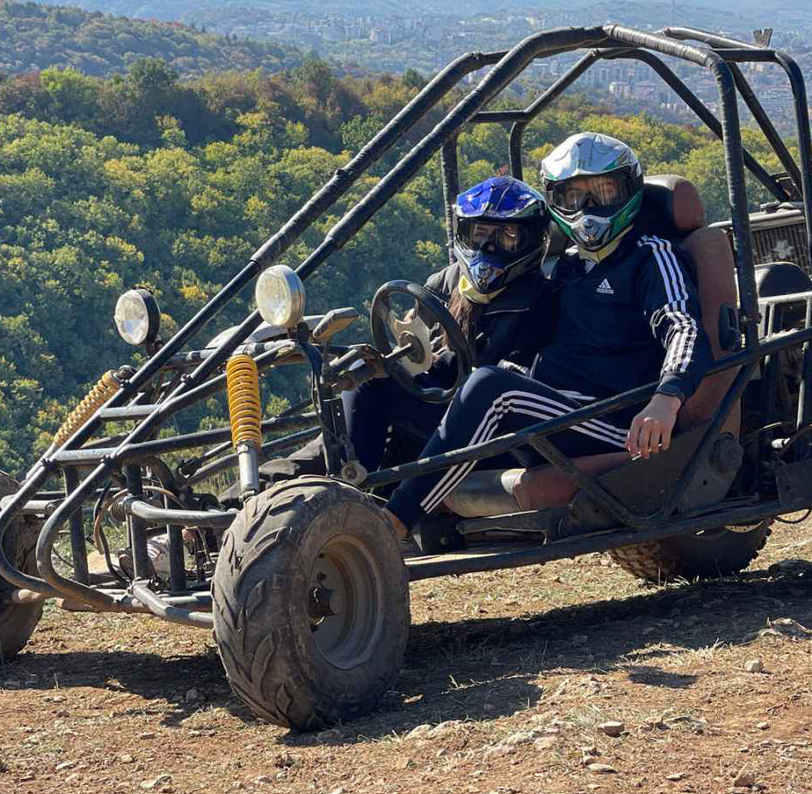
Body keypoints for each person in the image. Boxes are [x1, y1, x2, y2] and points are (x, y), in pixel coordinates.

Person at [385, 132, 713, 536]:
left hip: (616, 417)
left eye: (603, 193)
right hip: (558, 410)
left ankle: (392, 526)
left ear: (629, 192)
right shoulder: (570, 265)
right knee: (384, 385)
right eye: (573, 198)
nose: (587, 210)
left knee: (492, 387)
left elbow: (681, 325)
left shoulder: (649, 255)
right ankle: (352, 498)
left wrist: (667, 398)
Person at [248, 175, 555, 493]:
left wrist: (411, 371)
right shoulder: (447, 284)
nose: (488, 247)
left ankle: (348, 494)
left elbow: (507, 381)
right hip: (437, 404)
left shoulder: (543, 300)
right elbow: (418, 341)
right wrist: (398, 361)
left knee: (371, 392)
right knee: (343, 421)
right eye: (478, 234)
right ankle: (251, 495)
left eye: (506, 236)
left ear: (531, 239)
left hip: (487, 428)